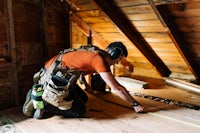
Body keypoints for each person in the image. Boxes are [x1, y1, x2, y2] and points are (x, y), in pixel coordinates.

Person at [22, 41, 144, 119]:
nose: (117, 62)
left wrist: (85, 84)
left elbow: (78, 67)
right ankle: (43, 103)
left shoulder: (95, 53)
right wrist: (135, 104)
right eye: (119, 59)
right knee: (79, 111)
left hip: (59, 74)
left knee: (84, 98)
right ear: (113, 54)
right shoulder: (99, 60)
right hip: (51, 78)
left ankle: (48, 100)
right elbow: (116, 88)